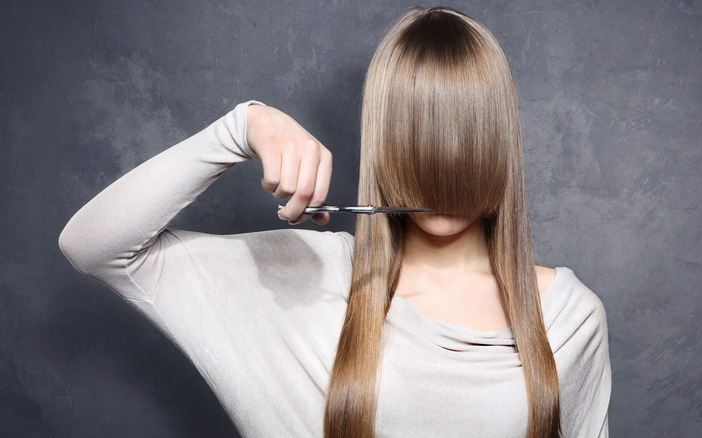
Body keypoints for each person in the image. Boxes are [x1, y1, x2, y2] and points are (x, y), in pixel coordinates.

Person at [60, 6, 610, 438]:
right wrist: (242, 127)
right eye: (415, 135)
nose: (441, 163)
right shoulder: (308, 276)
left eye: (465, 134)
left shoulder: (569, 317)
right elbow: (94, 247)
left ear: (501, 145)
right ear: (381, 146)